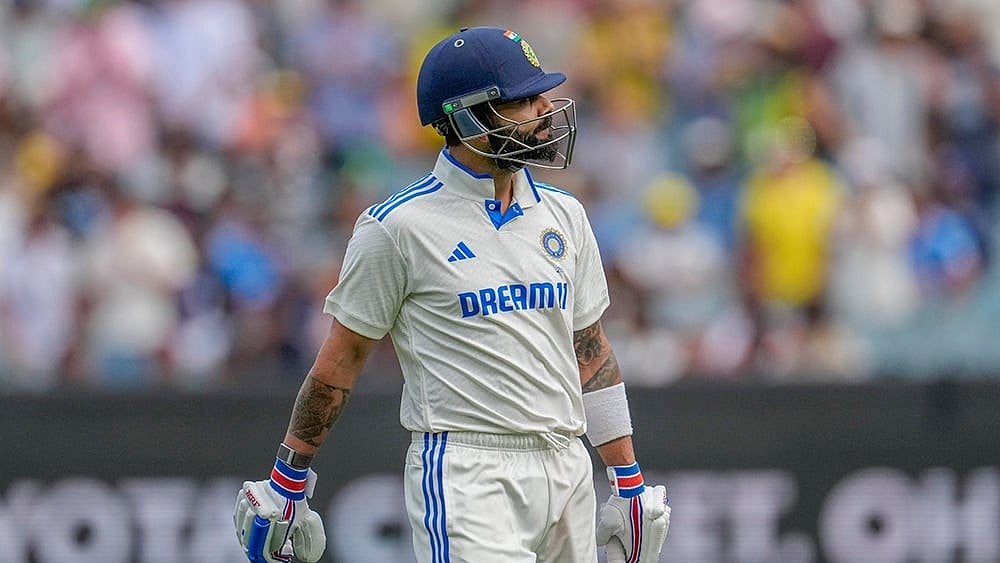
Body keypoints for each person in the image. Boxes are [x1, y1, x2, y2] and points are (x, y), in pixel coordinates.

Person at [233, 26, 670, 563]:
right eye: (522, 101)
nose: (543, 111)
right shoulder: (397, 227)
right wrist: (287, 476)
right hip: (466, 471)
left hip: (567, 463)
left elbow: (591, 352)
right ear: (468, 119)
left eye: (540, 95)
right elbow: (341, 360)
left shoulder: (566, 215)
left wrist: (626, 477)